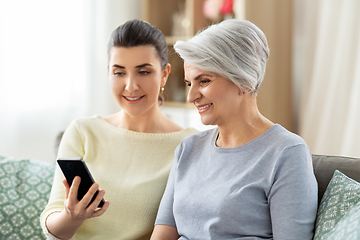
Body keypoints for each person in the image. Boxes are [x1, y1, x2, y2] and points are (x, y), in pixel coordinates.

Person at [151, 19, 318, 240]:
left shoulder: (287, 153)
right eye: (189, 83)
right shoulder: (188, 149)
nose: (191, 96)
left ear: (243, 81)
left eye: (204, 81)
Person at [40, 19, 198, 240]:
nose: (130, 86)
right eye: (119, 72)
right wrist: (71, 216)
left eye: (143, 72)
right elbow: (53, 228)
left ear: (164, 73)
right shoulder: (82, 132)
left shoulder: (189, 144)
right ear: (108, 73)